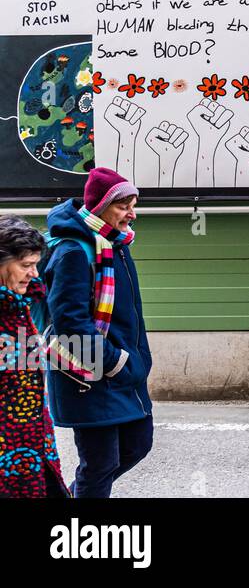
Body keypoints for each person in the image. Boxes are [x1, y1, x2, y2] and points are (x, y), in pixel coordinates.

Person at [42, 167, 153, 498]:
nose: (131, 214)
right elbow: (69, 322)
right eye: (123, 206)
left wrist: (134, 360)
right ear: (99, 205)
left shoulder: (115, 244)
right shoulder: (73, 251)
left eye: (133, 205)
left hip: (123, 371)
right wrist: (113, 362)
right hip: (89, 376)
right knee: (100, 464)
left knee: (137, 445)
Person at [0, 215, 69, 497]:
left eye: (36, 265)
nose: (35, 274)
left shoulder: (19, 303)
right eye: (26, 265)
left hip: (33, 443)